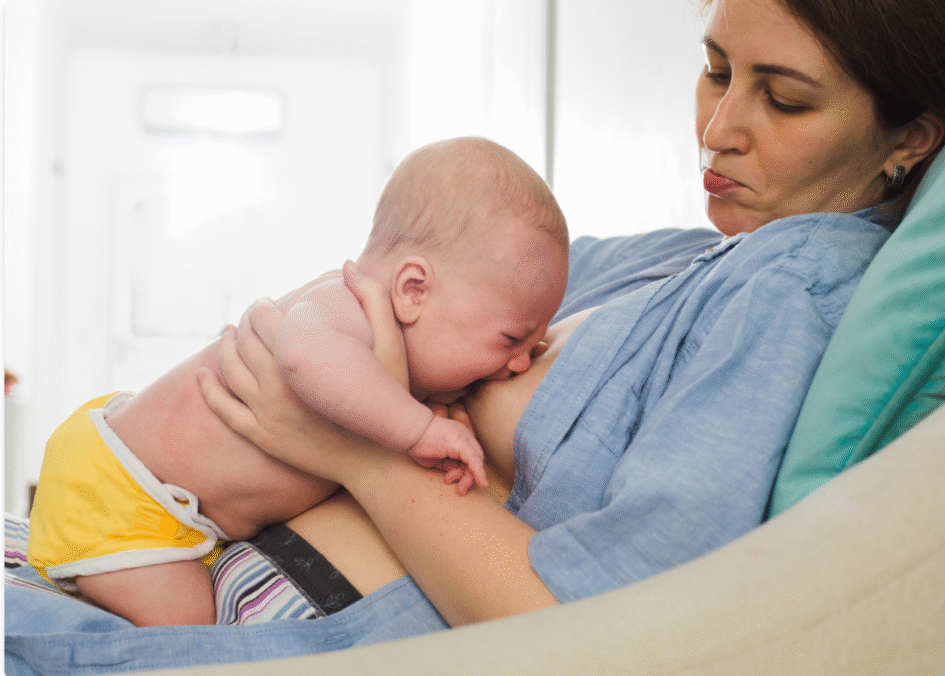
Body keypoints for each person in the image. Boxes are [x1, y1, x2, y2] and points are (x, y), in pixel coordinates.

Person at [3, 0, 945, 670]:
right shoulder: (672, 259)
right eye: (713, 70)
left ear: (910, 138)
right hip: (201, 547)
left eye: (782, 98)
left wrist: (349, 448)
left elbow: (625, 627)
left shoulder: (790, 293)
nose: (717, 127)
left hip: (273, 625)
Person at [25, 136, 569, 627]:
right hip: (124, 488)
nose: (522, 362)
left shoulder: (391, 366)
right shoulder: (346, 306)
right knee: (185, 624)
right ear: (412, 290)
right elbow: (304, 358)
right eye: (512, 338)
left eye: (536, 345)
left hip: (176, 508)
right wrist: (419, 429)